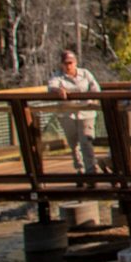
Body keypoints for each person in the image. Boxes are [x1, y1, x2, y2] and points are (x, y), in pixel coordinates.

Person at [45, 49, 104, 177]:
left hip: (85, 112)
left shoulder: (85, 74)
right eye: (66, 63)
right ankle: (80, 170)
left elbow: (95, 88)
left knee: (86, 141)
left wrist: (92, 99)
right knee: (73, 144)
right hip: (67, 114)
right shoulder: (57, 76)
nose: (68, 66)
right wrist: (58, 90)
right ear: (61, 64)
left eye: (71, 62)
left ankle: (91, 171)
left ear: (76, 62)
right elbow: (51, 87)